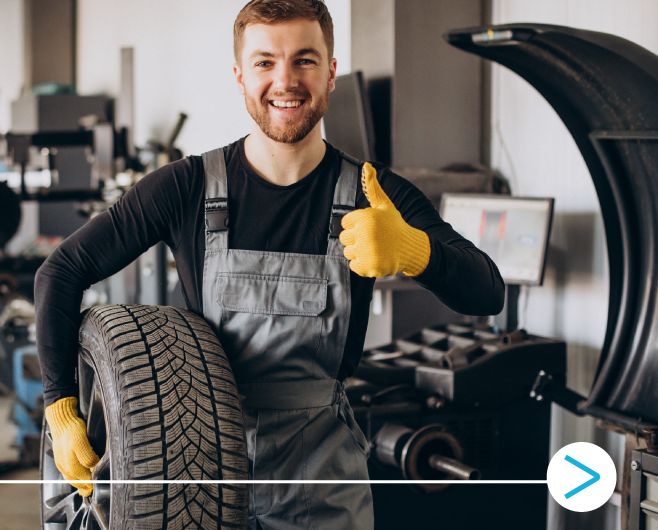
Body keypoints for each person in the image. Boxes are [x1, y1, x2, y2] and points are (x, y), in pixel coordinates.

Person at [35, 0, 505, 528]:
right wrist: (61, 407)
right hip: (194, 472)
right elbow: (60, 271)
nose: (286, 80)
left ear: (330, 73)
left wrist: (416, 251)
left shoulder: (377, 194)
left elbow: (488, 292)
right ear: (239, 75)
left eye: (305, 60)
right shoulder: (185, 187)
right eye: (265, 62)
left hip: (321, 478)